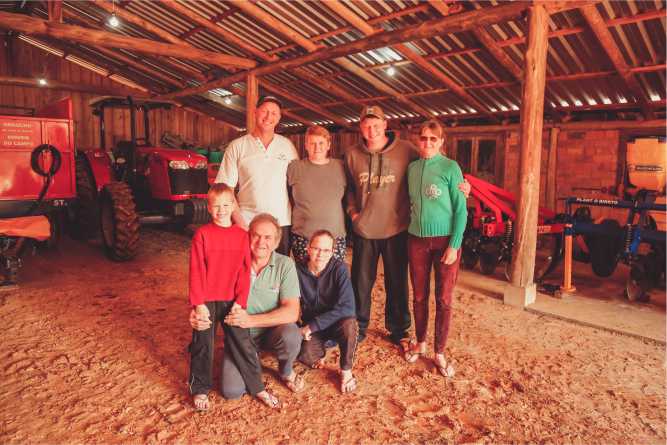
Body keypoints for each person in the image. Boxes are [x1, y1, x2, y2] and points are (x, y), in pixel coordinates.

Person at [189, 213, 304, 398]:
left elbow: (292, 312)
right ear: (247, 237)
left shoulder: (285, 264)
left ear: (276, 242)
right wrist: (196, 310)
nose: (261, 242)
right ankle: (251, 358)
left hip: (270, 332)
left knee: (291, 334)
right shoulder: (231, 260)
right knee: (232, 391)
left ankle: (285, 370)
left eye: (268, 237)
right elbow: (208, 289)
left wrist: (250, 320)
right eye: (256, 236)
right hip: (238, 337)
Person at [187, 184, 279, 411]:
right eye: (216, 206)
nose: (221, 210)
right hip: (207, 301)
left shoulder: (241, 236)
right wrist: (198, 304)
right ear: (208, 208)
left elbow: (244, 273)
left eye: (226, 205)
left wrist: (240, 302)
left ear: (233, 206)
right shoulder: (202, 234)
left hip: (232, 301)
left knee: (242, 342)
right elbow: (196, 270)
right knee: (202, 343)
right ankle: (200, 388)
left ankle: (257, 387)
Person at [403, 119, 467, 378]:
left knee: (444, 298)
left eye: (433, 138)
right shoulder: (412, 168)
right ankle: (420, 342)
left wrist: (454, 244)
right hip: (417, 239)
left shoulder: (451, 167)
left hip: (444, 241)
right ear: (418, 140)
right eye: (424, 138)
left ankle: (439, 351)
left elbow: (461, 210)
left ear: (441, 142)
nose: (427, 142)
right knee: (419, 296)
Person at [215, 95, 298, 255]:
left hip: (281, 223)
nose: (268, 117)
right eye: (265, 111)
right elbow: (226, 190)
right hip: (248, 222)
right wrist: (239, 222)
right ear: (255, 112)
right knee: (247, 269)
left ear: (279, 117)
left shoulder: (287, 146)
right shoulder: (237, 146)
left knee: (277, 268)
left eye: (274, 113)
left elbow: (296, 186)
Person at [295, 230, 358, 393]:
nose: (321, 254)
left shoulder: (340, 269)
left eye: (326, 250)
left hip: (334, 323)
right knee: (305, 356)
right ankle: (322, 350)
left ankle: (346, 370)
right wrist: (298, 329)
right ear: (308, 248)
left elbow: (348, 307)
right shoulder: (297, 270)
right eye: (316, 248)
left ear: (332, 252)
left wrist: (313, 326)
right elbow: (290, 301)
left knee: (349, 324)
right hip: (311, 327)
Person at [287, 125, 347, 263]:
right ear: (306, 145)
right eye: (312, 143)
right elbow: (286, 196)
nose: (317, 147)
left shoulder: (341, 167)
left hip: (334, 236)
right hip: (304, 236)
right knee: (305, 275)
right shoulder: (295, 168)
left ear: (328, 145)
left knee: (334, 275)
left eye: (321, 143)